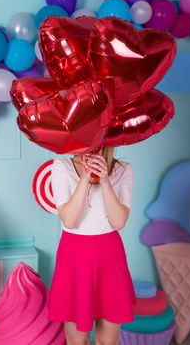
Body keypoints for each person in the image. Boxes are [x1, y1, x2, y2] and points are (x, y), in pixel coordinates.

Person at [47, 146, 137, 345]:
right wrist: (85, 179)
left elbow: (119, 222)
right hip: (73, 258)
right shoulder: (61, 166)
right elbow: (69, 220)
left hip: (110, 259)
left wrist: (105, 180)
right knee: (77, 340)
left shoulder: (124, 169)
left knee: (108, 341)